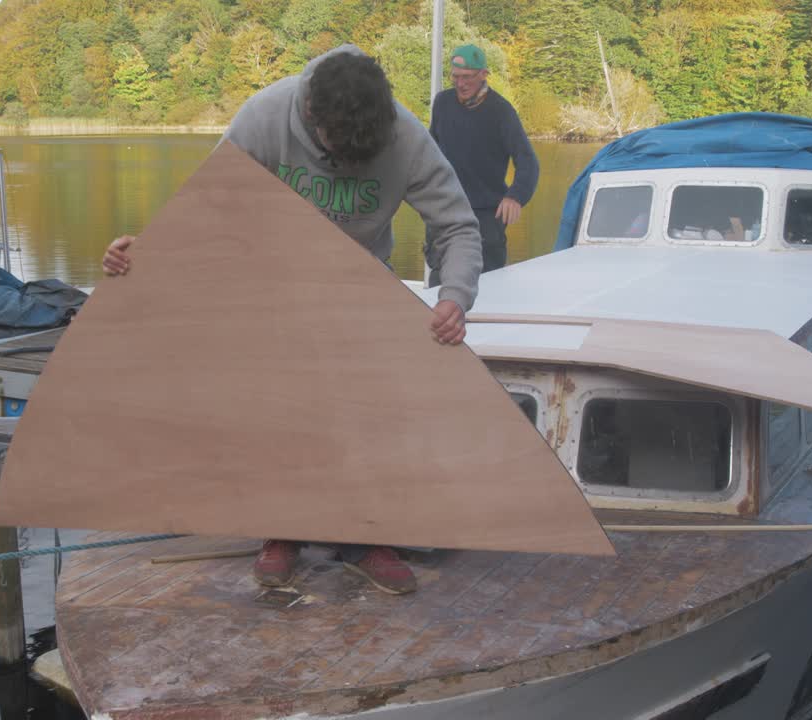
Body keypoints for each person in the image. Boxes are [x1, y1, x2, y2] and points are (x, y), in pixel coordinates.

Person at [102, 45, 486, 596]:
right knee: (276, 405)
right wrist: (148, 252)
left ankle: (368, 538)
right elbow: (208, 209)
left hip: (358, 280)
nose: (352, 166)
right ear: (311, 116)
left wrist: (454, 295)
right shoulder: (264, 117)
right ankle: (281, 529)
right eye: (339, 153)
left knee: (368, 410)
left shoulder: (404, 135)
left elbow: (456, 226)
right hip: (271, 277)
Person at [424, 44, 539, 286]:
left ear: (483, 75)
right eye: (455, 77)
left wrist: (515, 196)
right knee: (437, 287)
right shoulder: (442, 103)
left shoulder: (501, 111)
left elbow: (528, 161)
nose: (460, 84)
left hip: (486, 217)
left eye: (467, 77)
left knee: (486, 286)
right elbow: (429, 154)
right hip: (444, 210)